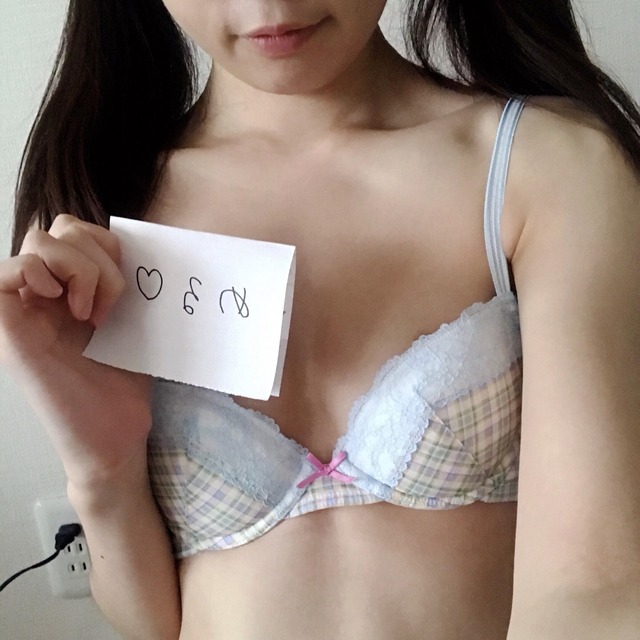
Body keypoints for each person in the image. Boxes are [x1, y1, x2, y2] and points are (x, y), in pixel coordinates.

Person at [1, 1, 639, 638]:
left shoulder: (547, 164)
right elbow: (156, 625)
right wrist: (104, 471)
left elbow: (596, 590)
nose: (270, 6)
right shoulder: (97, 215)